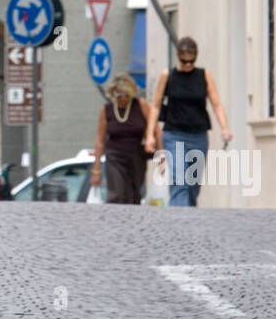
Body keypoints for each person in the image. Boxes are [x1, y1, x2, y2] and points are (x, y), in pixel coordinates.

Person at [144, 36, 232, 207]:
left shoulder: (204, 75)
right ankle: (179, 221)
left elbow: (217, 104)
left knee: (193, 184)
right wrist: (150, 135)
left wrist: (224, 128)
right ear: (178, 57)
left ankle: (188, 214)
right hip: (174, 134)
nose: (188, 65)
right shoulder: (167, 76)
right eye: (184, 61)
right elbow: (155, 106)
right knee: (179, 180)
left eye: (191, 61)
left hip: (198, 136)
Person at [90, 73, 151, 205]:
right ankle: (114, 222)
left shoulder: (141, 105)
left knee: (134, 195)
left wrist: (158, 150)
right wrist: (96, 170)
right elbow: (100, 140)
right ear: (113, 94)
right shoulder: (107, 110)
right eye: (119, 96)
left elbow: (154, 129)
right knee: (117, 194)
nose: (123, 99)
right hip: (115, 156)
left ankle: (132, 223)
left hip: (137, 157)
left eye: (126, 96)